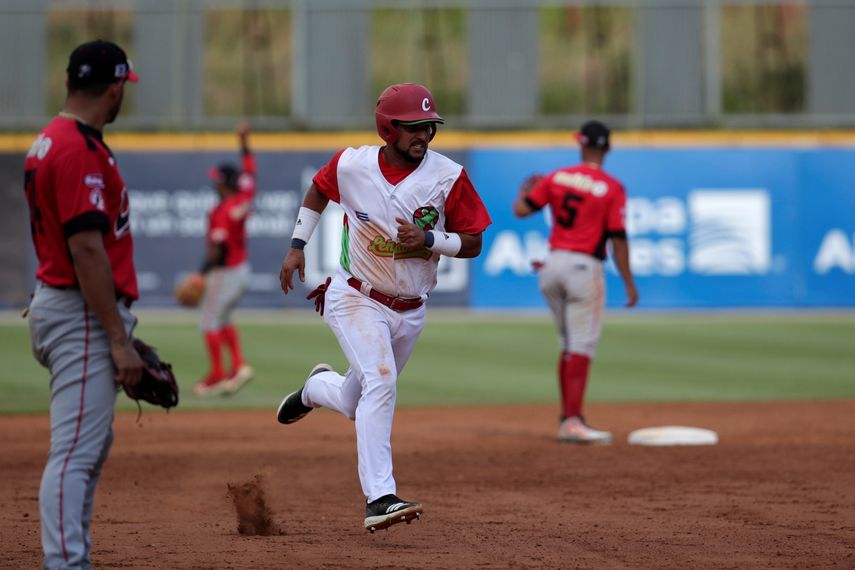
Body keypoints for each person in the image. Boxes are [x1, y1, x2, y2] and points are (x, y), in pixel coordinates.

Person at [276, 83, 491, 532]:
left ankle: (315, 390)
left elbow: (473, 242)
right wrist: (297, 246)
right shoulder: (352, 164)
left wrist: (431, 239)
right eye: (413, 127)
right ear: (388, 128)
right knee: (381, 381)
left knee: (356, 401)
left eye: (429, 126)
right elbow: (317, 192)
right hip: (354, 296)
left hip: (410, 309)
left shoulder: (448, 176)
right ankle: (380, 497)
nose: (425, 134)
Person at [23, 39, 143, 569]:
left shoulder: (52, 140)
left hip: (68, 307)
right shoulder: (75, 148)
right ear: (113, 87)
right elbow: (87, 249)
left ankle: (73, 560)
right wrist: (118, 338)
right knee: (74, 456)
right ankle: (66, 564)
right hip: (80, 313)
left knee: (84, 451)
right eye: (123, 88)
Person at [513, 120, 638, 444]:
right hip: (584, 267)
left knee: (569, 346)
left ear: (581, 144)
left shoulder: (557, 177)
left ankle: (568, 417)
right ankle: (572, 421)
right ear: (608, 148)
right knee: (581, 347)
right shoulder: (611, 187)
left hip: (551, 265)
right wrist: (628, 282)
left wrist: (524, 192)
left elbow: (521, 211)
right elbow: (618, 240)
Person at [191, 122, 256, 396]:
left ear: (226, 183)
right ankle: (239, 365)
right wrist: (244, 143)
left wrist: (200, 273)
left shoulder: (221, 210)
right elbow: (250, 173)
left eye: (218, 180)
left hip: (225, 271)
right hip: (242, 269)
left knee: (208, 320)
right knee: (224, 317)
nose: (215, 184)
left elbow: (218, 250)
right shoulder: (243, 198)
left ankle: (218, 374)